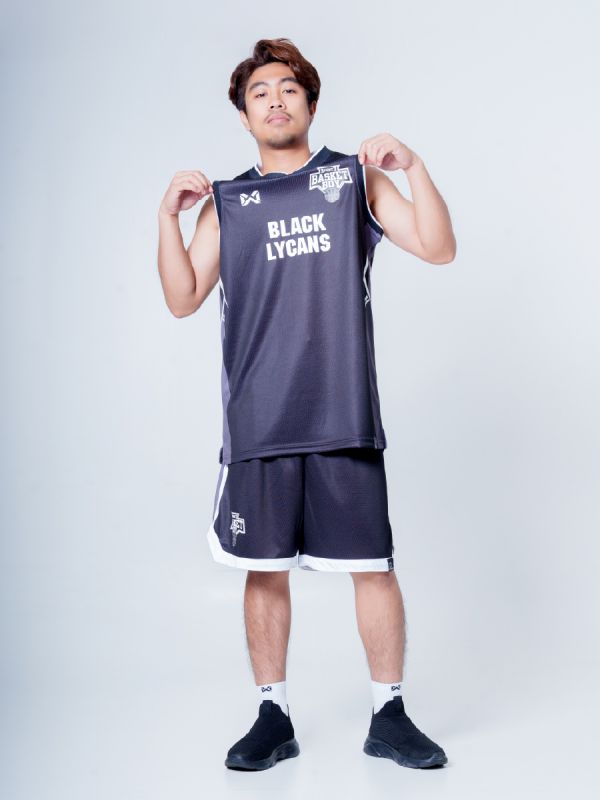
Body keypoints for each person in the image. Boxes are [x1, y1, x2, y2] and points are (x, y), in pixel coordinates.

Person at [157, 37, 456, 772]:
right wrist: (168, 217)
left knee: (373, 566)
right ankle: (273, 715)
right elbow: (182, 297)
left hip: (341, 413)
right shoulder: (228, 204)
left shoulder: (352, 180)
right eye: (259, 93)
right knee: (265, 571)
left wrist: (413, 167)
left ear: (311, 104)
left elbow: (438, 246)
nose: (275, 101)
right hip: (260, 420)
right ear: (244, 116)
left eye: (288, 89)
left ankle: (390, 714)